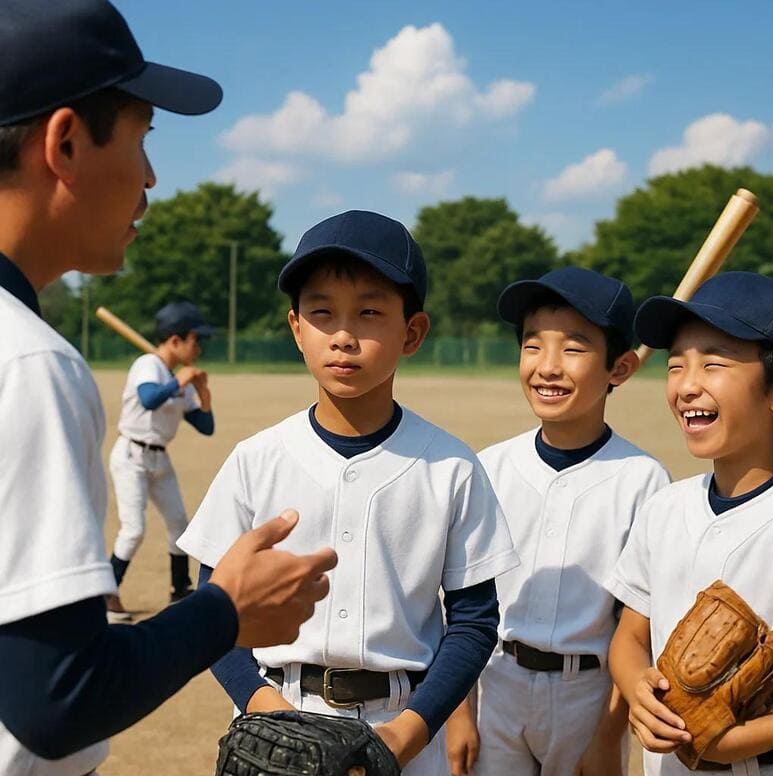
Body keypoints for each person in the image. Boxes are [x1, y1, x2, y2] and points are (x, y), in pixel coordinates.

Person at [0, 2, 336, 774]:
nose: (151, 176)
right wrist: (224, 612)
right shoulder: (29, 363)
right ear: (65, 142)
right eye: (144, 136)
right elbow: (58, 701)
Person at [178, 209, 521, 775]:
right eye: (321, 312)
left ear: (411, 332)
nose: (342, 335)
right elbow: (213, 604)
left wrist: (404, 738)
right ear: (295, 328)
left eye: (368, 312)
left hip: (403, 722)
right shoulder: (257, 459)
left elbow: (475, 620)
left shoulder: (451, 465)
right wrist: (268, 713)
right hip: (278, 711)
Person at [445, 267, 670, 776]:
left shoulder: (643, 479)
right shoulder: (489, 468)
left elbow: (635, 628)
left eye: (573, 348)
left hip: (588, 696)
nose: (548, 367)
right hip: (495, 682)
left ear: (621, 367)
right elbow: (458, 602)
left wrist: (607, 739)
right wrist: (459, 714)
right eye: (532, 346)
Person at [607, 271, 773, 775]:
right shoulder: (665, 508)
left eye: (714, 363)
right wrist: (637, 686)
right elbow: (630, 636)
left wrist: (734, 739)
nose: (686, 385)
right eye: (676, 365)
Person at [107, 301, 216, 622]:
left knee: (179, 525)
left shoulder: (175, 377)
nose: (199, 348)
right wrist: (180, 382)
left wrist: (203, 393)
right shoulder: (148, 365)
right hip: (131, 455)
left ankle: (179, 589)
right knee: (133, 530)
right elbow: (149, 399)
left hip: (159, 459)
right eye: (196, 340)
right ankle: (106, 594)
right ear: (174, 340)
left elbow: (206, 427)